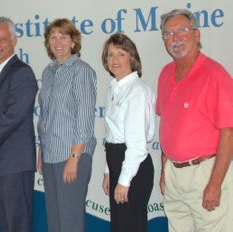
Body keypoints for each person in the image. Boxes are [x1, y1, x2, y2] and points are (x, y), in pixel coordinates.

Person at [157, 9, 233, 232]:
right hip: (173, 173)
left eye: (182, 30)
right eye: (168, 34)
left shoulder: (215, 74)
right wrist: (164, 172)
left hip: (205, 173)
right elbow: (167, 128)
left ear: (197, 34)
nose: (175, 38)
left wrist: (215, 184)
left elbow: (228, 132)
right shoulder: (165, 74)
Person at [0, 17, 38, 232]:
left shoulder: (22, 72)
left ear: (14, 40)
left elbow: (14, 115)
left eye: (2, 39)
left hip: (15, 163)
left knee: (17, 225)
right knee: (7, 225)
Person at [37, 18, 97, 232]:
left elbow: (85, 118)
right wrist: (41, 152)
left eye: (63, 36)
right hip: (51, 155)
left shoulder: (81, 71)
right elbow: (45, 116)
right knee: (55, 222)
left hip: (72, 156)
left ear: (73, 42)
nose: (58, 41)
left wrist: (74, 159)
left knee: (70, 223)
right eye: (53, 37)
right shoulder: (48, 72)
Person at [101, 33, 155, 232]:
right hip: (117, 162)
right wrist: (109, 171)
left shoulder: (137, 91)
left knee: (131, 226)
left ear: (131, 57)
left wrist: (124, 181)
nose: (114, 60)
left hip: (133, 167)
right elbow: (111, 135)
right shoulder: (114, 87)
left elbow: (137, 146)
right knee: (120, 226)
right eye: (110, 54)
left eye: (121, 54)